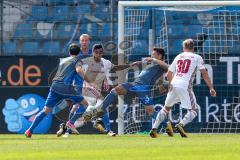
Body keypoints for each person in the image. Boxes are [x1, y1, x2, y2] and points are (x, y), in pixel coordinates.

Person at [83, 47, 169, 132]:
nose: (151, 56)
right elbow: (158, 75)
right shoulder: (153, 64)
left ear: (160, 56)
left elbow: (167, 67)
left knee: (150, 111)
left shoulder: (160, 64)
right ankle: (99, 110)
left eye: (153, 54)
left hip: (144, 89)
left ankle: (166, 124)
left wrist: (154, 60)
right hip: (134, 85)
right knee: (114, 91)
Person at [57, 44, 136, 137]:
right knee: (102, 105)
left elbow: (115, 67)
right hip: (87, 89)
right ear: (93, 52)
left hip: (96, 89)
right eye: (96, 52)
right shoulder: (86, 62)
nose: (99, 54)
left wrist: (129, 65)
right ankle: (105, 128)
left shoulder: (105, 62)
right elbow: (77, 69)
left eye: (100, 52)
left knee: (86, 110)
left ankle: (68, 126)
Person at [149, 39, 216, 138]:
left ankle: (154, 129)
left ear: (183, 48)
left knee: (166, 109)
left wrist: (171, 84)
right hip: (185, 86)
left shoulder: (179, 56)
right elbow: (204, 73)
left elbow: (169, 73)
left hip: (174, 83)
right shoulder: (197, 57)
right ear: (193, 48)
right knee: (194, 110)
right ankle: (180, 125)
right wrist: (211, 87)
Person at [24, 44, 93, 138]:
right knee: (85, 104)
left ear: (69, 52)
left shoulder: (63, 60)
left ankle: (29, 130)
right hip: (65, 87)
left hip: (54, 86)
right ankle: (71, 123)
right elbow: (79, 69)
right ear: (79, 53)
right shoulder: (77, 60)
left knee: (46, 110)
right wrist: (89, 81)